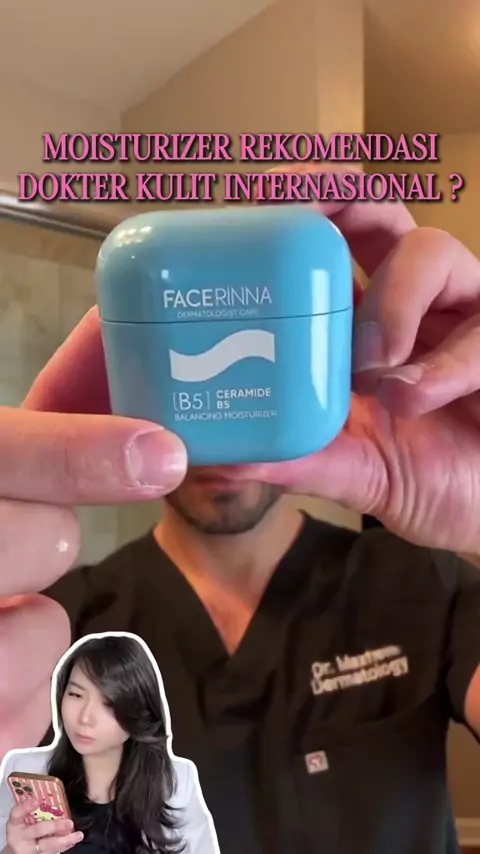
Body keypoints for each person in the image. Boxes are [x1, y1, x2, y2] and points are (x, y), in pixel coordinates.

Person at [1, 178, 480, 854]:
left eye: (245, 362)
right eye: (194, 374)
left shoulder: (422, 586)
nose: (222, 450)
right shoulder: (59, 626)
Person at [0, 634, 218, 854]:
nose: (85, 718)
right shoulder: (24, 774)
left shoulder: (177, 784)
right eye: (76, 694)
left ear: (139, 712)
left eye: (108, 704)